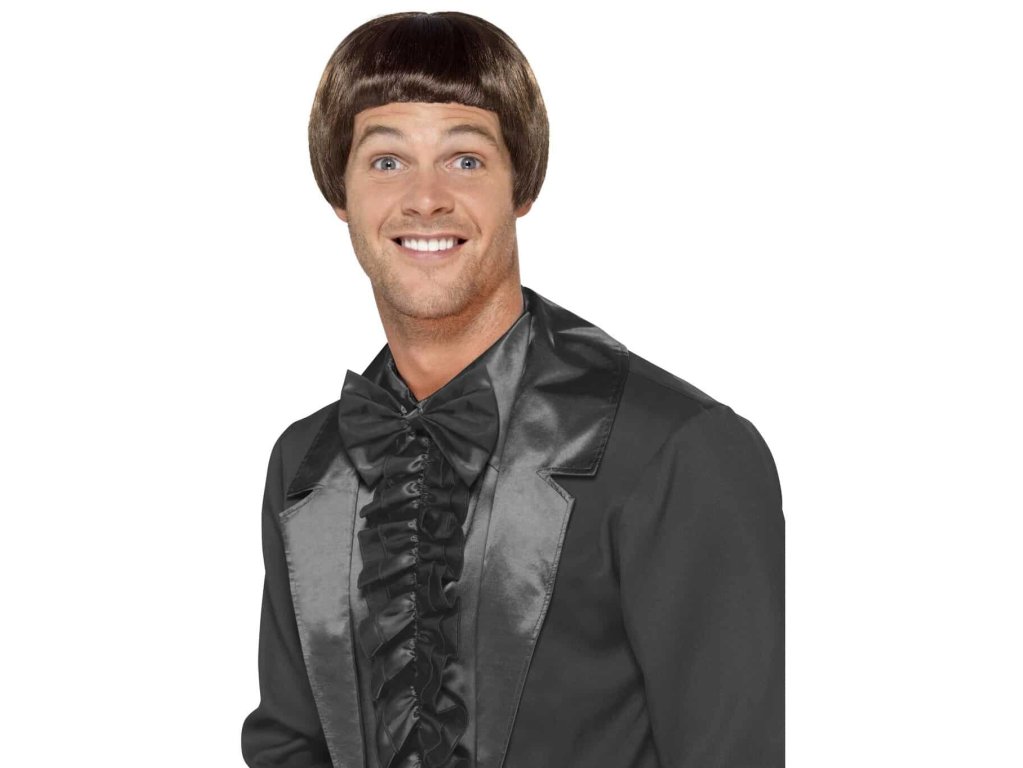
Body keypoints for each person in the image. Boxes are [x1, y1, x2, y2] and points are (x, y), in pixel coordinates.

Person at [240, 11, 784, 768]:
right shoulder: (305, 466)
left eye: (465, 159)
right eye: (387, 161)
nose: (425, 199)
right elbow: (289, 746)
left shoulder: (679, 453)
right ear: (340, 192)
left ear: (521, 184)